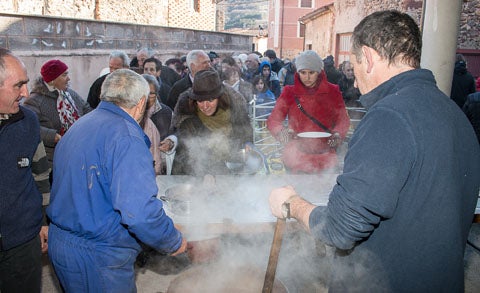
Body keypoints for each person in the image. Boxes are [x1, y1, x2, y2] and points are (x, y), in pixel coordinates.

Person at [268, 10, 480, 292]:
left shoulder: (389, 117)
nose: (354, 81)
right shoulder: (454, 113)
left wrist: (291, 204)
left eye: (354, 66)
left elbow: (340, 228)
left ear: (367, 57)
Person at [47, 69, 187, 292]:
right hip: (99, 254)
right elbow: (139, 213)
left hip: (63, 242)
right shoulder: (127, 138)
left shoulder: (79, 126)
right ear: (141, 103)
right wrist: (173, 241)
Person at [0, 48, 49, 293]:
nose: (26, 93)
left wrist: (42, 221)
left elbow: (40, 173)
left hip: (23, 243)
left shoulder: (28, 121)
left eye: (26, 84)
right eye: (18, 86)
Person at [267, 50, 349, 173]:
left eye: (312, 72)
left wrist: (338, 133)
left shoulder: (333, 91)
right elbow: (274, 119)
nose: (307, 77)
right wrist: (280, 132)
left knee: (327, 190)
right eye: (303, 72)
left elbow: (342, 120)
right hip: (295, 156)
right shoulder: (289, 92)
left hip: (326, 156)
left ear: (319, 72)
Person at [170, 69, 253, 175]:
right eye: (200, 101)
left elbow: (246, 133)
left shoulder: (235, 107)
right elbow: (186, 151)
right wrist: (206, 174)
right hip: (191, 173)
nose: (205, 106)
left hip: (229, 171)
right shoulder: (187, 114)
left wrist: (247, 144)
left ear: (219, 97)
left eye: (210, 100)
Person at [24, 59, 92, 174]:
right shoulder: (34, 101)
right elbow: (29, 127)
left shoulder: (70, 95)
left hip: (77, 155)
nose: (69, 78)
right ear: (52, 80)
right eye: (64, 75)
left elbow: (88, 112)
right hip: (52, 162)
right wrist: (54, 136)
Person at [142, 74, 177, 175]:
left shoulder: (166, 112)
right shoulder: (131, 112)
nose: (147, 98)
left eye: (151, 94)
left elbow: (176, 133)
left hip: (161, 168)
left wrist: (170, 142)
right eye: (143, 93)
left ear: (157, 94)